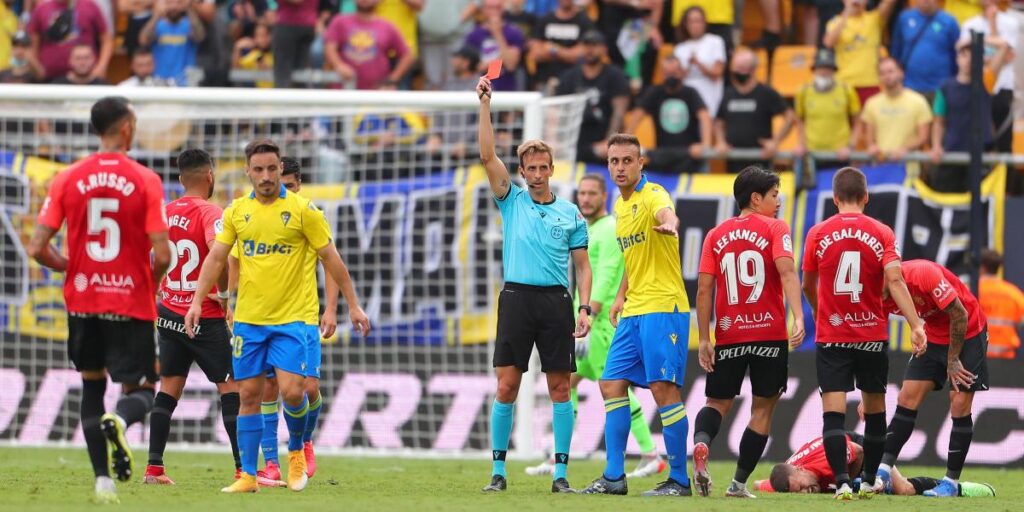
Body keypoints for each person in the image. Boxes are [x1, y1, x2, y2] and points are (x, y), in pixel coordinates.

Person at [184, 139, 370, 493]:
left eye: (272, 169)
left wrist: (352, 305)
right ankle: (249, 476)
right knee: (250, 394)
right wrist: (198, 301)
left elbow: (332, 260)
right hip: (251, 321)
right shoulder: (237, 211)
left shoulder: (304, 211)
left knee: (294, 392)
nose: (267, 176)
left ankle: (297, 448)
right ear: (248, 172)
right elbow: (217, 259)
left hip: (294, 318)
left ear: (279, 168)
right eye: (259, 170)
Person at [26, 96, 172, 503]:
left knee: (92, 386)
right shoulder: (145, 180)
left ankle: (102, 484)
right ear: (126, 126)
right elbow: (162, 254)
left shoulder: (67, 178)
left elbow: (37, 246)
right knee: (143, 385)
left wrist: (72, 268)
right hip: (129, 301)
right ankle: (121, 421)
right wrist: (147, 281)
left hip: (83, 300)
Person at [476, 74, 592, 493]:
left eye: (544, 168)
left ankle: (561, 475)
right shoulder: (512, 200)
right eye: (532, 168)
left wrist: (584, 307)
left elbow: (582, 266)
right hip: (517, 298)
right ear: (522, 171)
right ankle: (498, 471)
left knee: (560, 386)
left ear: (552, 170)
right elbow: (488, 155)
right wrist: (486, 105)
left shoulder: (571, 214)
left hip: (556, 302)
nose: (538, 174)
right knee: (507, 384)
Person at [525, 174, 665, 480]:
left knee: (613, 387)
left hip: (599, 324)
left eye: (592, 194)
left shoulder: (610, 228)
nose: (586, 199)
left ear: (604, 196)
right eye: (582, 193)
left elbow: (608, 273)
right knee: (568, 382)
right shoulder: (590, 229)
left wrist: (591, 310)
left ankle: (651, 453)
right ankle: (557, 456)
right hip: (586, 319)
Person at [801, 166, 926, 500]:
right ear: (866, 197)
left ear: (835, 198)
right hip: (871, 333)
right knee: (875, 410)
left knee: (833, 414)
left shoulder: (817, 233)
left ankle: (842, 481)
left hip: (832, 335)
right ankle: (869, 479)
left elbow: (807, 283)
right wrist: (915, 324)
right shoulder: (883, 232)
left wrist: (816, 308)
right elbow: (895, 280)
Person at [581, 133, 693, 497]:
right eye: (614, 161)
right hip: (633, 310)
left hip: (663, 306)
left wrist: (670, 223)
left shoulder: (653, 195)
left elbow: (666, 213)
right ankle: (614, 476)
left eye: (627, 160)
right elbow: (634, 255)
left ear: (640, 162)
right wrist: (620, 296)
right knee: (611, 383)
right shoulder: (619, 205)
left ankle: (678, 479)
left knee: (664, 390)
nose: (620, 167)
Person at [692, 166, 806, 498]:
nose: (779, 201)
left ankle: (702, 443)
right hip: (769, 333)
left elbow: (703, 290)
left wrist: (703, 337)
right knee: (763, 409)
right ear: (756, 199)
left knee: (716, 402)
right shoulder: (775, 228)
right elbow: (787, 273)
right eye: (774, 195)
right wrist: (798, 318)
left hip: (729, 334)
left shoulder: (715, 234)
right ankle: (738, 483)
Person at [231, 156, 340, 486]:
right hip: (258, 318)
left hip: (302, 316)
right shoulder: (250, 213)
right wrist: (228, 301)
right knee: (265, 388)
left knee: (305, 389)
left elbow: (330, 262)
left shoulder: (307, 214)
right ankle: (269, 463)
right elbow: (234, 262)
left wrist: (331, 308)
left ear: (297, 185)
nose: (281, 188)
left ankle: (303, 442)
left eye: (289, 185)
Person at [143, 149, 241, 485]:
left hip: (169, 312)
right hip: (205, 314)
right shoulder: (211, 211)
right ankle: (244, 468)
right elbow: (221, 254)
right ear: (209, 176)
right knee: (231, 388)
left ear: (182, 179)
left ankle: (154, 468)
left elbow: (151, 259)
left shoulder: (164, 212)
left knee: (169, 388)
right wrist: (225, 295)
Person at [877, 259, 989, 497]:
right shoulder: (876, 296)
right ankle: (883, 472)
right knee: (907, 397)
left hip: (968, 331)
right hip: (934, 335)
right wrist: (872, 390)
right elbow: (875, 340)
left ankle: (950, 482)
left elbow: (960, 314)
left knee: (959, 403)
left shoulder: (922, 274)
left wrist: (952, 359)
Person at [754, 432, 995, 497]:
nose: (806, 491)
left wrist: (849, 483)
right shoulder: (784, 479)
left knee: (904, 490)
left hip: (861, 447)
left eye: (803, 486)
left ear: (800, 469)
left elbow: (858, 452)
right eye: (800, 493)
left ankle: (961, 488)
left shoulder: (827, 461)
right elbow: (759, 483)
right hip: (849, 451)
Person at [555, 29, 630, 166]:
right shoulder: (568, 77)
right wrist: (557, 143)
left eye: (595, 45)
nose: (590, 50)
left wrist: (609, 142)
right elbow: (557, 113)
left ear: (604, 49)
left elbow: (618, 113)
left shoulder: (615, 76)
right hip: (573, 143)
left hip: (602, 142)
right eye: (586, 45)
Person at [714, 48, 794, 174]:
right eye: (735, 68)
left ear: (753, 70)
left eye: (742, 68)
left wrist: (776, 141)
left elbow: (789, 116)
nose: (737, 72)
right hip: (733, 161)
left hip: (760, 162)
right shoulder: (728, 93)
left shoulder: (765, 93)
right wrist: (721, 141)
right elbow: (719, 121)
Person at [627, 54, 711, 173]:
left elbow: (704, 116)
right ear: (662, 74)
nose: (671, 77)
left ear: (681, 72)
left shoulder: (690, 92)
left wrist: (705, 144)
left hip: (690, 156)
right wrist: (626, 140)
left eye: (674, 73)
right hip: (663, 156)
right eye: (667, 73)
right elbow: (637, 114)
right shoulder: (655, 92)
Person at [929, 41, 994, 193]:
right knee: (948, 199)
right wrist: (936, 145)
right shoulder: (945, 88)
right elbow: (939, 121)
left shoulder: (987, 82)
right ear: (957, 59)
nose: (969, 60)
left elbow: (1004, 47)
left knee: (979, 204)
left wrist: (976, 41)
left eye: (973, 56)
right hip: (952, 151)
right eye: (964, 55)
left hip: (980, 153)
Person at [958, 0, 1019, 155]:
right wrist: (995, 46)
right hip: (976, 87)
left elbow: (1007, 56)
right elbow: (962, 52)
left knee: (1003, 140)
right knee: (980, 138)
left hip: (1002, 86)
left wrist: (987, 31)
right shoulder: (969, 24)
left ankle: (1005, 178)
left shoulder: (1010, 22)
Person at [323, 0, 415, 89]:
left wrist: (391, 80)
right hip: (343, 93)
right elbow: (329, 47)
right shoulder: (339, 21)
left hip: (374, 97)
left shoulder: (387, 26)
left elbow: (407, 55)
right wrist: (339, 65)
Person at [822, 0, 898, 106]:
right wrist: (846, 15)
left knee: (869, 121)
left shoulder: (874, 19)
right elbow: (828, 42)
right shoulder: (835, 21)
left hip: (870, 82)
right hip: (844, 83)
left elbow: (889, 3)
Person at [794, 48, 860, 163]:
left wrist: (850, 146)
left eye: (828, 68)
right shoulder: (803, 92)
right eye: (820, 68)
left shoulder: (847, 90)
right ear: (814, 70)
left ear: (834, 71)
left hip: (840, 154)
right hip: (812, 154)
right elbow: (800, 121)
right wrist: (801, 144)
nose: (824, 72)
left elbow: (858, 123)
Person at [861, 58, 932, 162]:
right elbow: (869, 138)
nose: (887, 76)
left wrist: (905, 149)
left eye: (890, 71)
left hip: (908, 166)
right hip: (881, 165)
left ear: (901, 73)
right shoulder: (871, 103)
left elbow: (923, 137)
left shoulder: (918, 101)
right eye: (882, 73)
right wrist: (871, 146)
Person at [27, 0, 112, 82]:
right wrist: (36, 67)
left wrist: (101, 67)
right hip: (49, 79)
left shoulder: (90, 6)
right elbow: (32, 42)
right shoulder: (42, 8)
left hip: (85, 79)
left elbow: (106, 39)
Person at [890, 0, 959, 97]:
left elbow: (956, 55)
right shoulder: (904, 18)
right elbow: (896, 51)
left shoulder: (949, 21)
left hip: (940, 87)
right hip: (910, 86)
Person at [527, 0, 594, 91]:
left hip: (573, 82)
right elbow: (535, 53)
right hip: (545, 80)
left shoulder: (584, 21)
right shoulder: (545, 20)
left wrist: (553, 49)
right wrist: (567, 53)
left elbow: (580, 54)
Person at [672, 6, 726, 118]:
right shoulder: (679, 48)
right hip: (687, 95)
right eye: (691, 22)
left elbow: (717, 73)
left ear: (704, 23)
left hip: (710, 93)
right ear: (686, 25)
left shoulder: (715, 41)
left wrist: (698, 64)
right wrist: (688, 66)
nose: (695, 25)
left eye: (698, 21)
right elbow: (676, 79)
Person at [138, 0, 206, 86]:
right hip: (160, 81)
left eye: (178, 3)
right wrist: (156, 15)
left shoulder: (189, 25)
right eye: (169, 3)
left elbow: (200, 37)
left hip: (185, 81)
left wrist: (189, 9)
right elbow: (143, 40)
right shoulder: (158, 26)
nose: (174, 7)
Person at [464, 0, 526, 91]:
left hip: (506, 89)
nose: (494, 12)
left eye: (497, 7)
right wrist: (500, 60)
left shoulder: (514, 33)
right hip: (480, 90)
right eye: (490, 8)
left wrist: (497, 33)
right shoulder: (473, 35)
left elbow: (510, 64)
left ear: (503, 9)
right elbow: (471, 68)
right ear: (483, 9)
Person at [979, 249, 1024, 359]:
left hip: (977, 360)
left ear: (982, 267)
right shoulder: (1014, 293)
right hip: (1007, 360)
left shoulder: (971, 291)